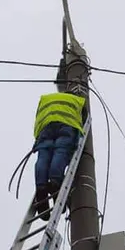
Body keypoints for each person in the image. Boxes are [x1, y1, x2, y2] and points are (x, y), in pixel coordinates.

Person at [33, 82, 86, 220]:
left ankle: (41, 188)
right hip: (66, 125)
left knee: (43, 157)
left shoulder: (47, 99)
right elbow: (83, 118)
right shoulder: (77, 100)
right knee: (61, 152)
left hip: (45, 128)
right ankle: (55, 183)